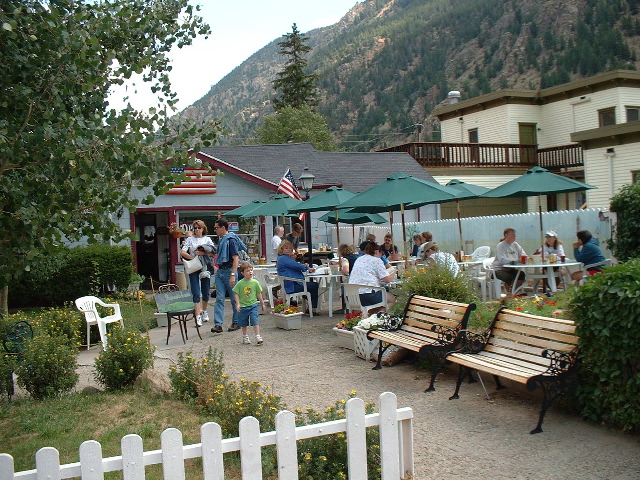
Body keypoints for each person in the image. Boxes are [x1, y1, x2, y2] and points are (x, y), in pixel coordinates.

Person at [211, 217, 248, 333]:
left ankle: (236, 322)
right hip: (220, 271)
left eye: (216, 228)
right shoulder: (221, 240)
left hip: (229, 271)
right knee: (219, 298)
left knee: (234, 298)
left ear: (223, 227)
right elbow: (218, 255)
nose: (215, 230)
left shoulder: (230, 240)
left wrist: (233, 274)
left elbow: (235, 258)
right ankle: (218, 324)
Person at [181, 220, 215, 326]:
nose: (197, 230)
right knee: (195, 291)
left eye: (199, 228)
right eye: (195, 228)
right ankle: (197, 315)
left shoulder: (207, 239)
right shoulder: (190, 239)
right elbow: (183, 252)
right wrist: (192, 257)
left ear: (203, 229)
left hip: (205, 266)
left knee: (205, 291)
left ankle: (204, 311)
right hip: (194, 267)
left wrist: (203, 253)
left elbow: (213, 252)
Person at [348, 241, 396, 312]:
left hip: (352, 296)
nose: (381, 256)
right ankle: (378, 318)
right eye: (381, 254)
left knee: (382, 295)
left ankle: (372, 317)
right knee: (392, 299)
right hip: (367, 296)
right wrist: (393, 273)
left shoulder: (359, 259)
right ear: (376, 252)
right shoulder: (376, 260)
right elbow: (387, 279)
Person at [276, 240, 320, 315]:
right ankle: (312, 309)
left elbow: (294, 265)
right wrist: (307, 268)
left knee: (311, 286)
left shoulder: (283, 258)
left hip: (291, 284)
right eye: (286, 248)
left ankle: (309, 304)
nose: (288, 250)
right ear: (281, 249)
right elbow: (296, 265)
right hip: (292, 286)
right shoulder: (284, 258)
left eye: (290, 248)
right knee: (314, 285)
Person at [232, 262, 266, 345]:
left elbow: (259, 293)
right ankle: (245, 336)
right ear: (242, 273)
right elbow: (236, 293)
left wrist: (262, 303)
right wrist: (238, 304)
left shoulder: (255, 282)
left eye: (251, 270)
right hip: (243, 306)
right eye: (247, 271)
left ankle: (258, 336)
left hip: (253, 305)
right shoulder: (240, 283)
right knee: (244, 323)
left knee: (255, 320)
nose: (250, 272)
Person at [492, 227, 527, 296]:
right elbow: (502, 260)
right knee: (509, 277)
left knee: (521, 275)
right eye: (512, 234)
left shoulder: (515, 245)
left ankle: (512, 293)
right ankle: (511, 294)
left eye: (515, 235)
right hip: (499, 269)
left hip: (510, 268)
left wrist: (524, 258)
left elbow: (523, 254)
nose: (514, 236)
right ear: (506, 235)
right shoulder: (500, 246)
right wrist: (516, 260)